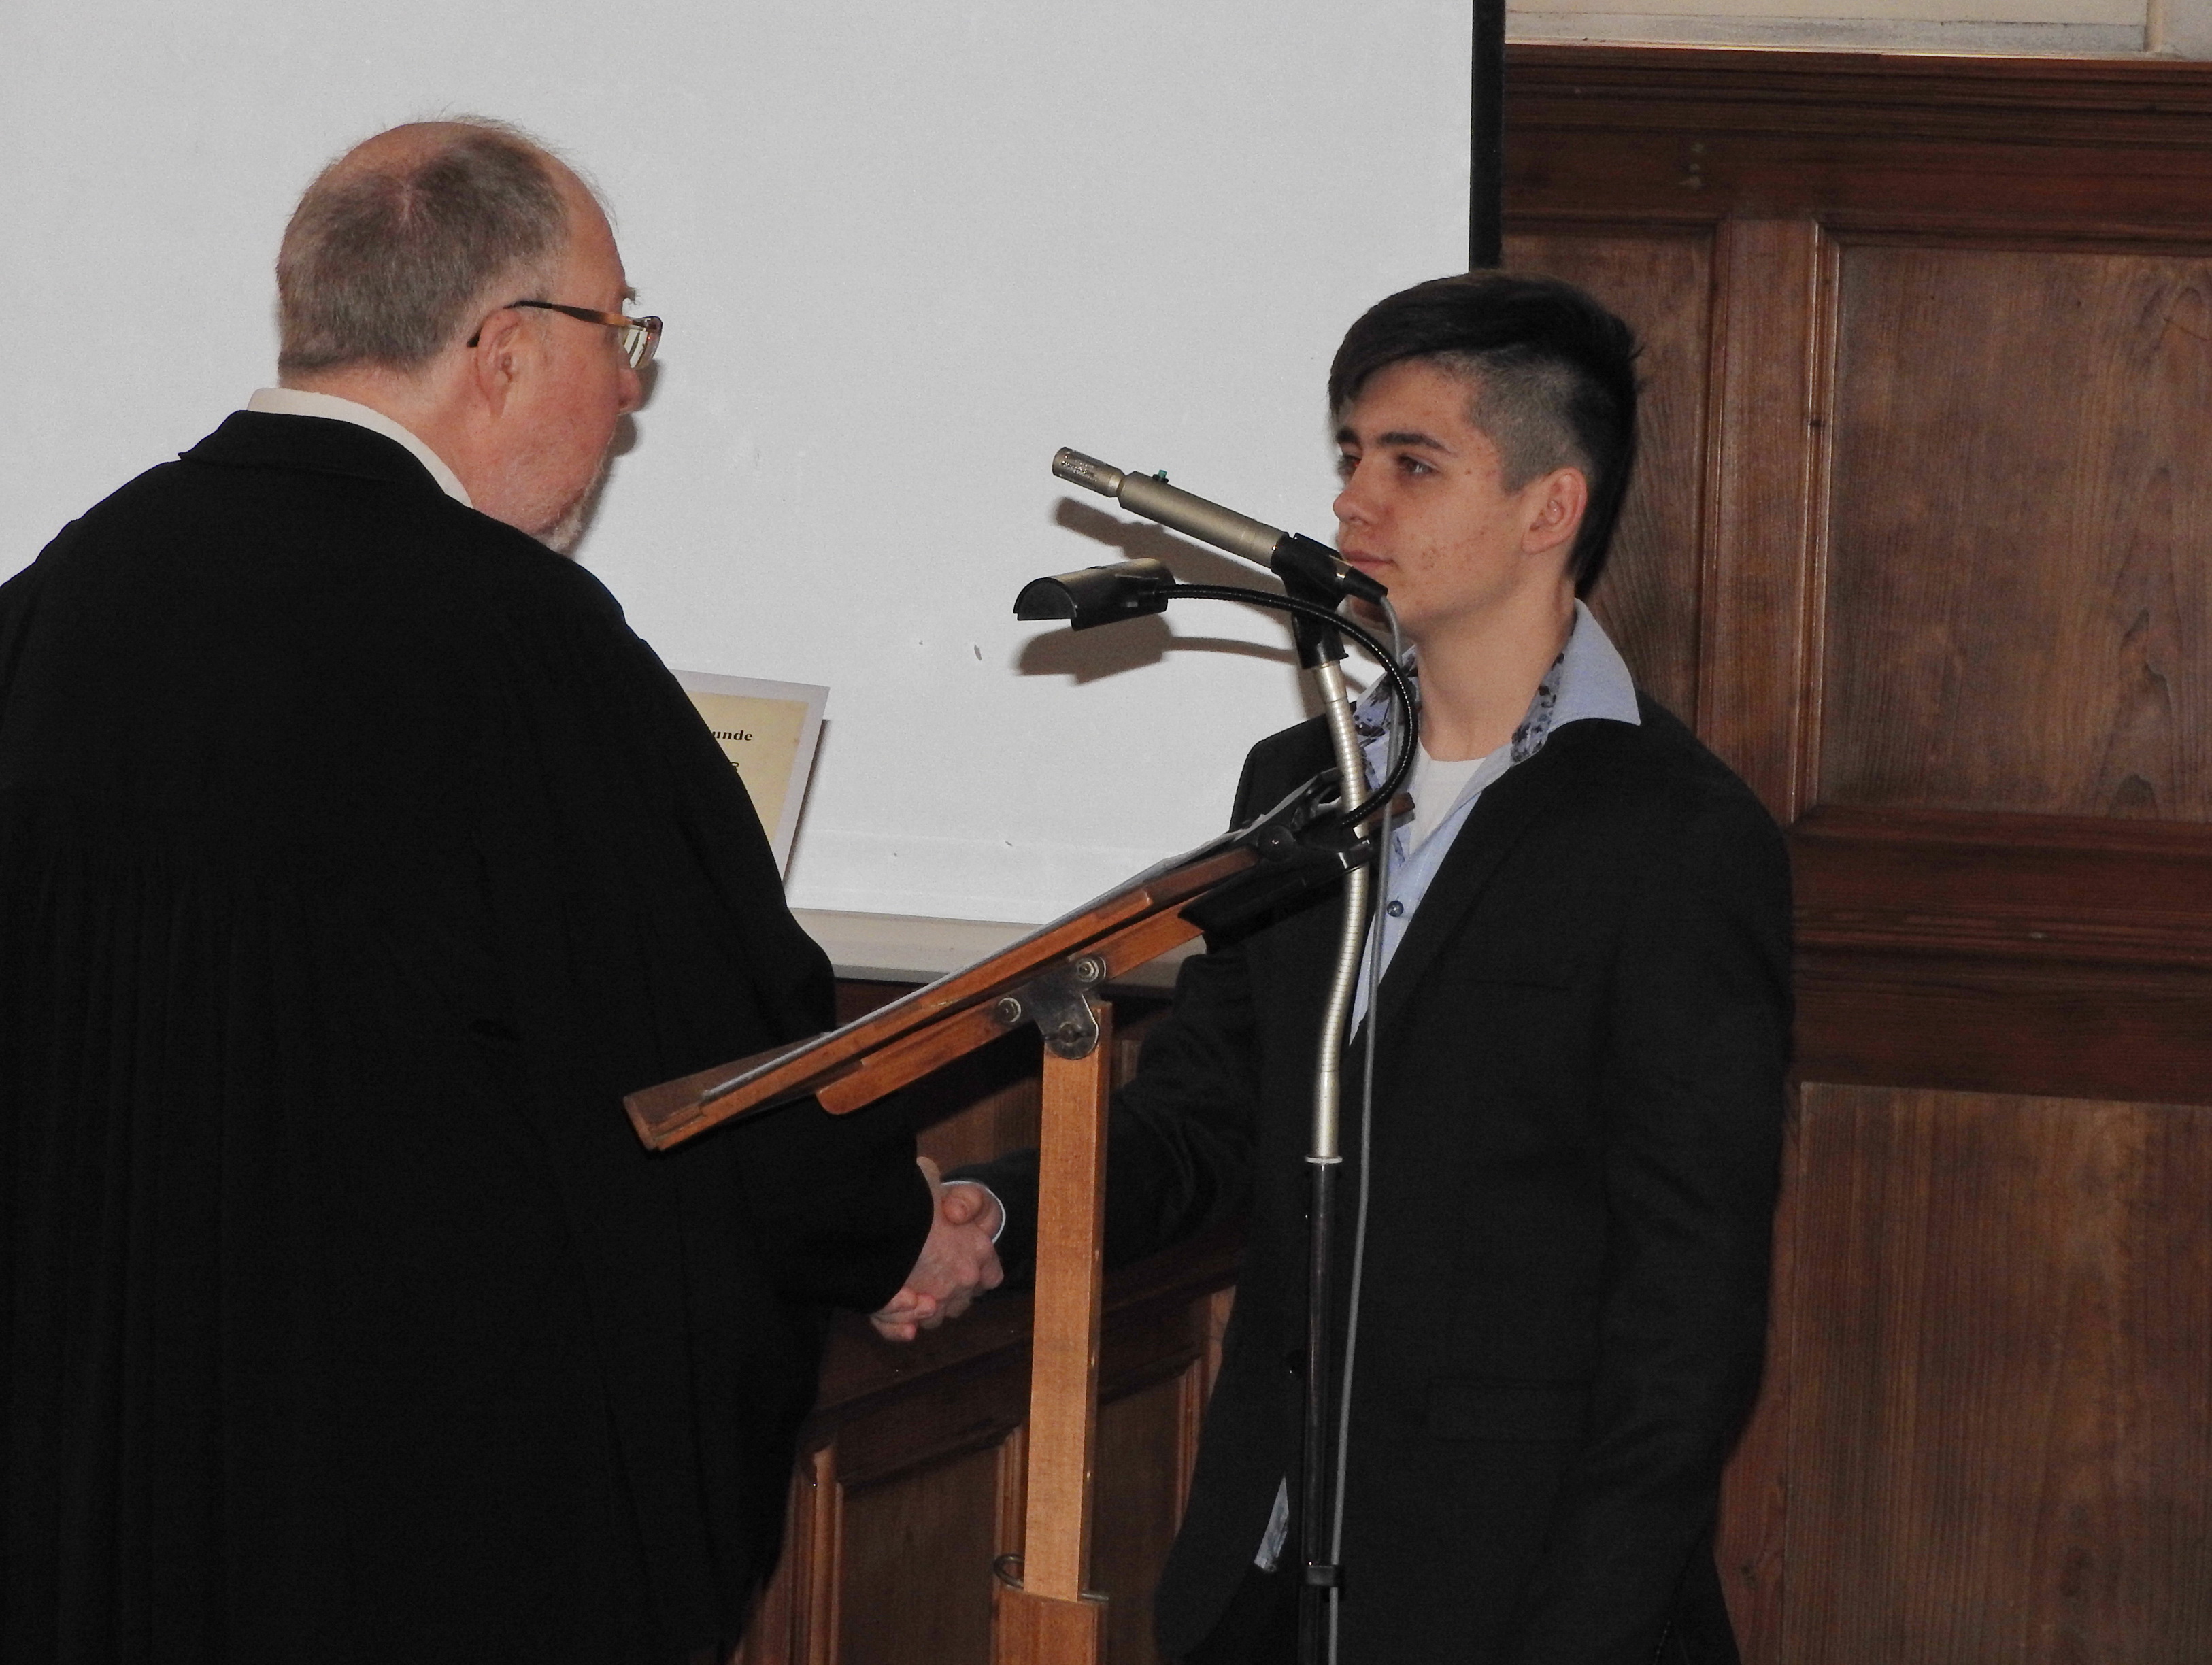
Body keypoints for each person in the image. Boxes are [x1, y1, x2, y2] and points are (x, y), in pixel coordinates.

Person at [0, 119, 998, 1665]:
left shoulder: (58, 606)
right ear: (508, 350)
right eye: (622, 337)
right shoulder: (522, 645)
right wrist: (892, 1232)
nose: (628, 389)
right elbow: (715, 1065)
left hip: (97, 1489)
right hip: (398, 1514)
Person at [938, 273, 1791, 1662]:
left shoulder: (1674, 835)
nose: (1352, 504)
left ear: (1549, 508)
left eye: (1412, 463)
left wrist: (1577, 1634)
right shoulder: (1302, 784)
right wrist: (993, 1212)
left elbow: (1687, 1318)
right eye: (1350, 457)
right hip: (1266, 1567)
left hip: (1514, 1598)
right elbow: (1208, 1121)